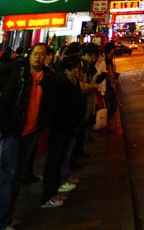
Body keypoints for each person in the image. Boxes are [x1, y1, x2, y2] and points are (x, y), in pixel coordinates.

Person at [0, 42, 52, 230]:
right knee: (10, 177)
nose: (39, 57)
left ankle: (8, 216)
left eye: (42, 54)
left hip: (31, 134)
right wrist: (6, 129)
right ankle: (3, 221)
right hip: (14, 134)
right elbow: (5, 102)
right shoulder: (20, 76)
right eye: (36, 54)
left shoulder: (47, 77)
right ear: (30, 56)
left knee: (17, 176)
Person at [40, 53, 95, 209]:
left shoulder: (71, 80)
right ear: (71, 68)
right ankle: (49, 195)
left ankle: (56, 189)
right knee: (55, 161)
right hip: (60, 128)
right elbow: (59, 107)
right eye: (78, 68)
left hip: (69, 127)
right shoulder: (62, 82)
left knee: (61, 158)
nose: (80, 71)